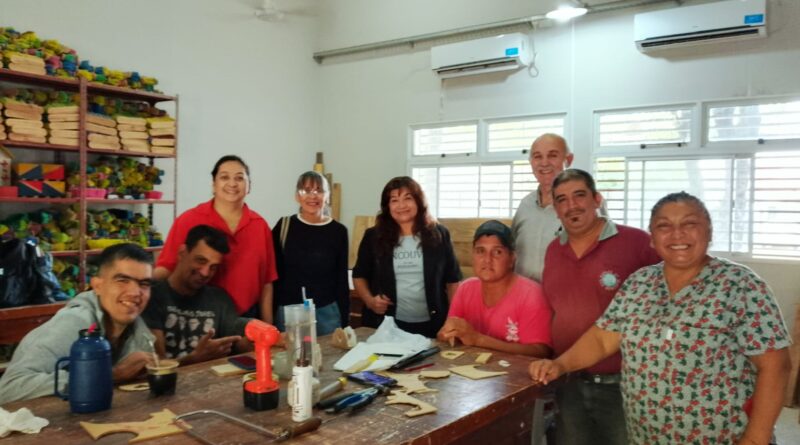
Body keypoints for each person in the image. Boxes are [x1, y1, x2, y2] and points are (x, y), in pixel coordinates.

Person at [530, 191, 792, 445]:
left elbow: (775, 367)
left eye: (690, 224)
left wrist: (755, 439)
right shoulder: (639, 283)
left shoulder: (740, 285)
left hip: (722, 436)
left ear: (709, 232)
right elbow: (602, 339)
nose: (677, 234)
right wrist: (560, 365)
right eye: (664, 226)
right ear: (652, 239)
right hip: (646, 435)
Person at [540, 168, 661, 445]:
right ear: (556, 209)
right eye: (561, 200)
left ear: (597, 199)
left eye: (579, 195)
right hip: (568, 380)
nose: (571, 205)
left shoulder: (637, 243)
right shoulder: (553, 250)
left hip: (622, 384)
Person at [0, 244, 155, 404]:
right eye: (122, 280)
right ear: (97, 286)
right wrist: (110, 374)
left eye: (144, 284)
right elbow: (9, 388)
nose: (135, 293)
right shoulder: (74, 323)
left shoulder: (139, 330)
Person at [154, 155, 278, 322]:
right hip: (196, 318)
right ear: (213, 185)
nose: (232, 184)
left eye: (239, 178)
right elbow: (167, 268)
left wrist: (269, 327)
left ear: (249, 186)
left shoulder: (260, 226)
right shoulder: (188, 220)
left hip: (247, 317)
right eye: (224, 177)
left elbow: (266, 282)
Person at [353, 176, 462, 338]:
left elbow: (453, 280)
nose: (401, 205)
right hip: (386, 324)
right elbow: (359, 275)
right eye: (394, 200)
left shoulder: (439, 234)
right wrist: (370, 301)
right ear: (387, 206)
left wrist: (453, 318)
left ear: (419, 201)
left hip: (434, 324)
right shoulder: (373, 236)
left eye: (408, 198)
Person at [437, 220, 552, 357]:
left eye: (497, 252)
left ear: (512, 259)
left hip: (517, 370)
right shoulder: (465, 289)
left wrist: (478, 339)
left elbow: (540, 352)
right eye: (480, 251)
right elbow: (447, 334)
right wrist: (447, 334)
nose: (487, 259)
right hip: (473, 368)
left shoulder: (531, 295)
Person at [143, 225, 252, 365]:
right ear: (182, 253)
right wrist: (194, 359)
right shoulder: (152, 296)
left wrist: (257, 339)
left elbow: (237, 343)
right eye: (201, 260)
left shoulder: (220, 300)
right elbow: (156, 365)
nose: (205, 273)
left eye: (213, 267)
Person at [271, 171, 349, 336]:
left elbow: (341, 279)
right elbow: (272, 274)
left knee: (328, 352)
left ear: (327, 196)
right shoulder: (284, 226)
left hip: (327, 312)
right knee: (292, 352)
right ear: (297, 196)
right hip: (289, 311)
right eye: (306, 190)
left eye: (319, 190)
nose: (313, 196)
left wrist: (345, 320)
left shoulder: (338, 231)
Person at [511, 133, 574, 283]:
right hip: (523, 294)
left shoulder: (583, 204)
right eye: (537, 157)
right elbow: (512, 249)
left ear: (568, 160)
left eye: (552, 155)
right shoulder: (525, 205)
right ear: (531, 162)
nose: (544, 163)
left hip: (563, 294)